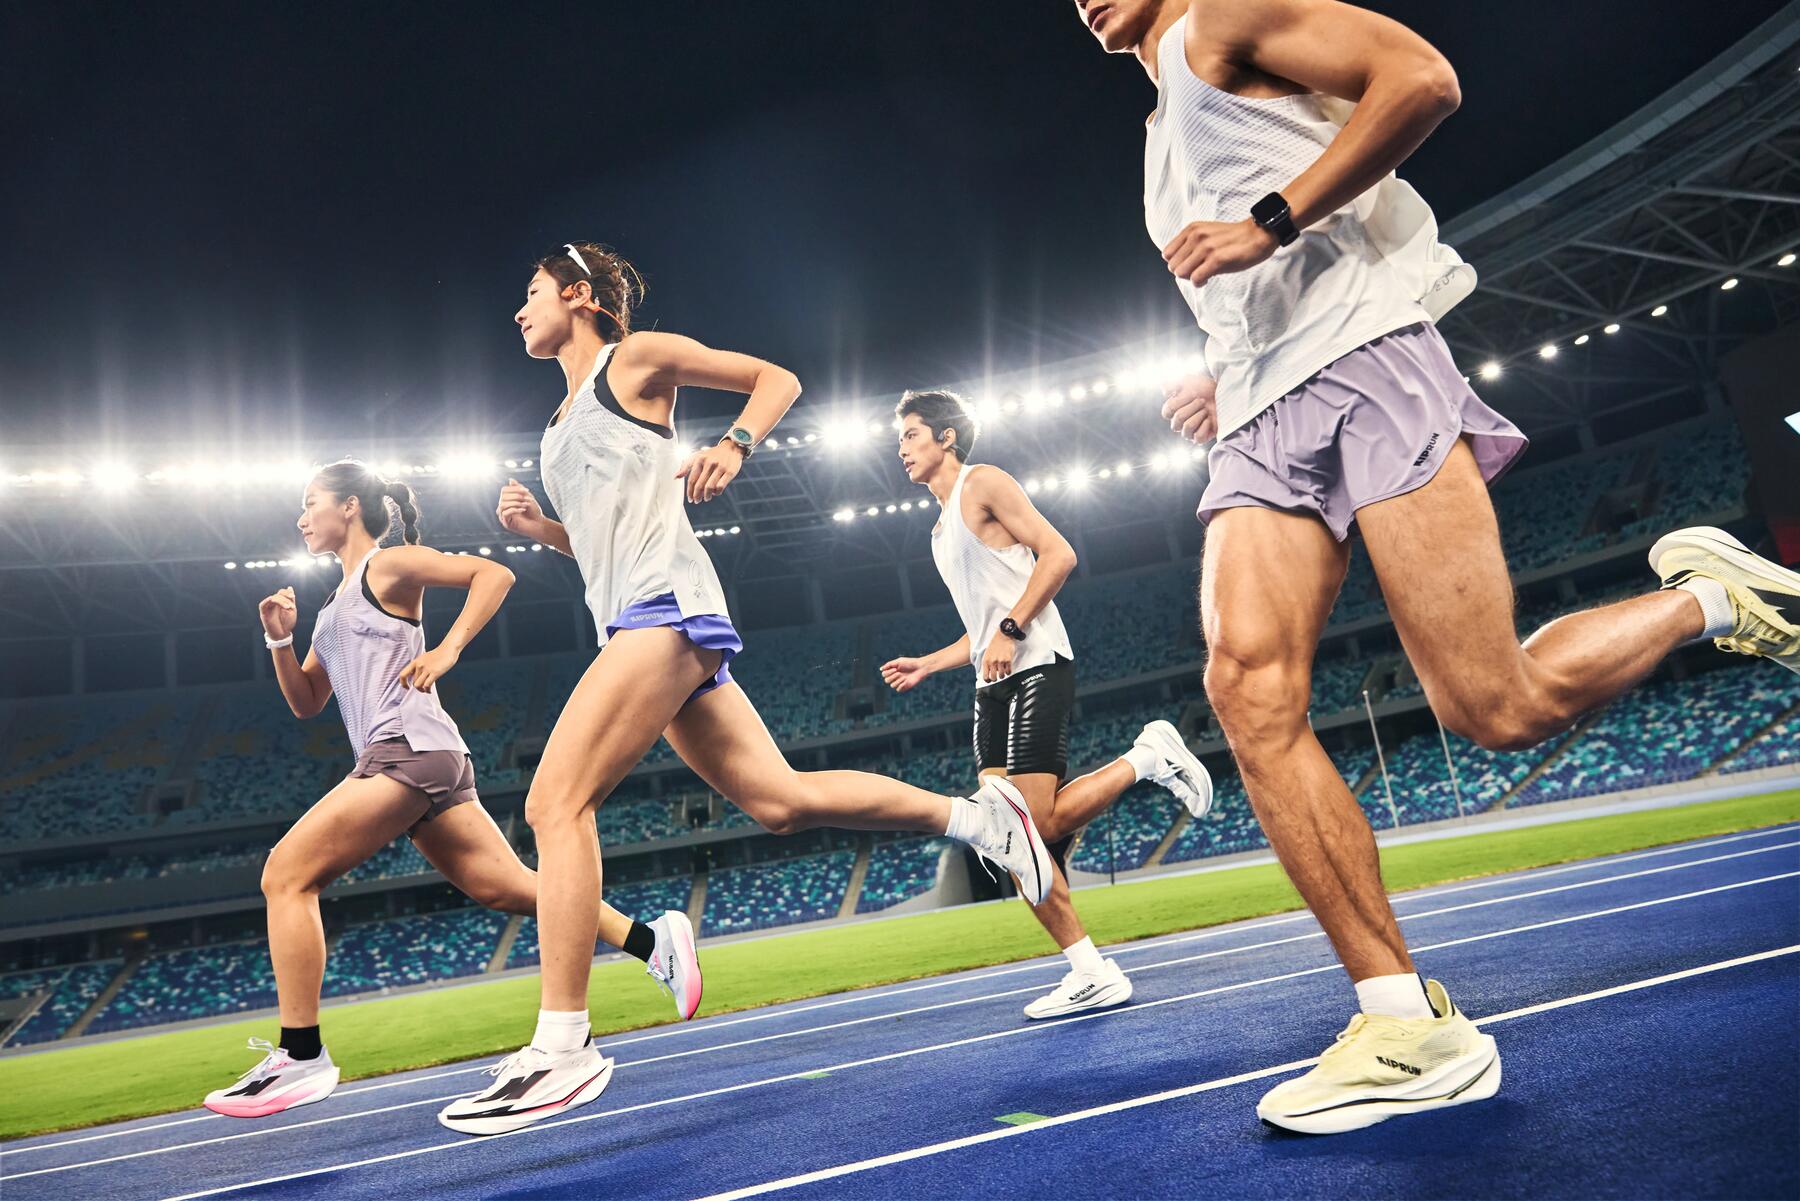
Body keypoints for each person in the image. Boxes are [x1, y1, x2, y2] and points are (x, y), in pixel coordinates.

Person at [1074, 0, 1800, 1133]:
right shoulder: (1164, 116)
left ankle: (1709, 595)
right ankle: (1407, 1021)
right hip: (1261, 403)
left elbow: (1421, 78)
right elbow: (1257, 274)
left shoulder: (1224, 16)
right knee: (1245, 687)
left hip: (1366, 359)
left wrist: (1270, 220)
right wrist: (1231, 367)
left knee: (1494, 707)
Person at [435, 242, 1054, 1136]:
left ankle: (564, 1046)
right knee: (781, 800)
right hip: (634, 617)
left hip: (667, 611)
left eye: (530, 293)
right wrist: (544, 529)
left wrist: (733, 441)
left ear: (577, 295)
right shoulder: (557, 423)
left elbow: (777, 378)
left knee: (552, 803)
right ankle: (982, 819)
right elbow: (605, 545)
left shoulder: (632, 360)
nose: (519, 310)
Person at [206, 460, 700, 1121]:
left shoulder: (388, 566)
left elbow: (492, 574)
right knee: (512, 887)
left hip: (405, 753)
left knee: (286, 874)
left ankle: (300, 1055)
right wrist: (277, 638)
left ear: (350, 507)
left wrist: (448, 649)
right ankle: (654, 940)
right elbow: (306, 699)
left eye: (311, 501)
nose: (301, 515)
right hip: (425, 757)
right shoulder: (333, 606)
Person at [880, 389, 1213, 1019]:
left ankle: (1146, 758)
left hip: (1036, 664)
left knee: (1033, 828)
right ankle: (1089, 970)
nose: (902, 448)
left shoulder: (984, 482)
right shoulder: (937, 529)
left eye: (912, 434)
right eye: (901, 438)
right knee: (1010, 840)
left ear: (946, 437)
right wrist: (932, 662)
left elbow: (1058, 554)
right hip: (989, 684)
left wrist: (1010, 631)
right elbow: (980, 627)